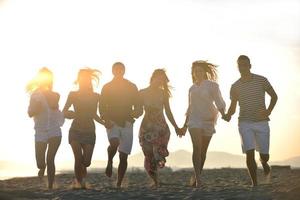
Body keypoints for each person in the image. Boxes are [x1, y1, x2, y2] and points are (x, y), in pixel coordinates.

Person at [223, 55, 278, 187]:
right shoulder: (235, 86)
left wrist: (268, 110)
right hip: (244, 122)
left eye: (245, 65)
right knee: (249, 153)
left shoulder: (261, 80)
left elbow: (274, 96)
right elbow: (233, 106)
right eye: (240, 65)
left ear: (250, 66)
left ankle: (264, 162)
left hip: (262, 122)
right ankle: (255, 184)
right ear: (238, 67)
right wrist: (228, 115)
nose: (243, 67)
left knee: (265, 155)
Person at [181, 60, 226, 188]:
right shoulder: (192, 88)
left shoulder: (212, 85)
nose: (198, 73)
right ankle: (199, 181)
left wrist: (224, 115)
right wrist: (184, 126)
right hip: (194, 120)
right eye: (195, 71)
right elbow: (190, 107)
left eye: (200, 71)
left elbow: (218, 101)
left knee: (203, 151)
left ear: (204, 72)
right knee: (197, 147)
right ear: (193, 74)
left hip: (208, 120)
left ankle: (196, 176)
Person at [99, 62, 143, 188]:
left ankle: (118, 183)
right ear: (113, 71)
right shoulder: (107, 87)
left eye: (121, 70)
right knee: (114, 143)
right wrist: (105, 118)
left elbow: (139, 105)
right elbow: (101, 106)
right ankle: (109, 161)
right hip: (112, 120)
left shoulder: (131, 86)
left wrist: (137, 113)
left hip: (127, 122)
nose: (119, 72)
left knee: (123, 156)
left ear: (124, 71)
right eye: (116, 70)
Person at [63, 68, 104, 189]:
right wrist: (71, 114)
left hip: (89, 131)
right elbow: (64, 111)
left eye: (86, 78)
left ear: (89, 81)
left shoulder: (96, 96)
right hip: (75, 130)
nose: (83, 80)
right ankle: (79, 183)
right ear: (79, 80)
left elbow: (95, 114)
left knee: (86, 162)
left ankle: (83, 170)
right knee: (78, 158)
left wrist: (104, 123)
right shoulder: (73, 95)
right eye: (81, 78)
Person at [139, 69, 181, 187]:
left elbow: (168, 111)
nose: (160, 81)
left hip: (161, 128)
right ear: (153, 77)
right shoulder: (142, 93)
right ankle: (155, 179)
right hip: (146, 128)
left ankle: (156, 181)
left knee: (157, 153)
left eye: (162, 80)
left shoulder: (163, 94)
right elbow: (136, 108)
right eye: (159, 78)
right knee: (148, 154)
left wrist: (176, 127)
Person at [27, 67, 64, 189]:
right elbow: (30, 113)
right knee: (40, 163)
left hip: (54, 130)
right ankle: (42, 168)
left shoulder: (55, 95)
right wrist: (35, 108)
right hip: (40, 130)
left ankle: (50, 186)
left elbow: (54, 105)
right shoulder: (35, 95)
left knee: (50, 158)